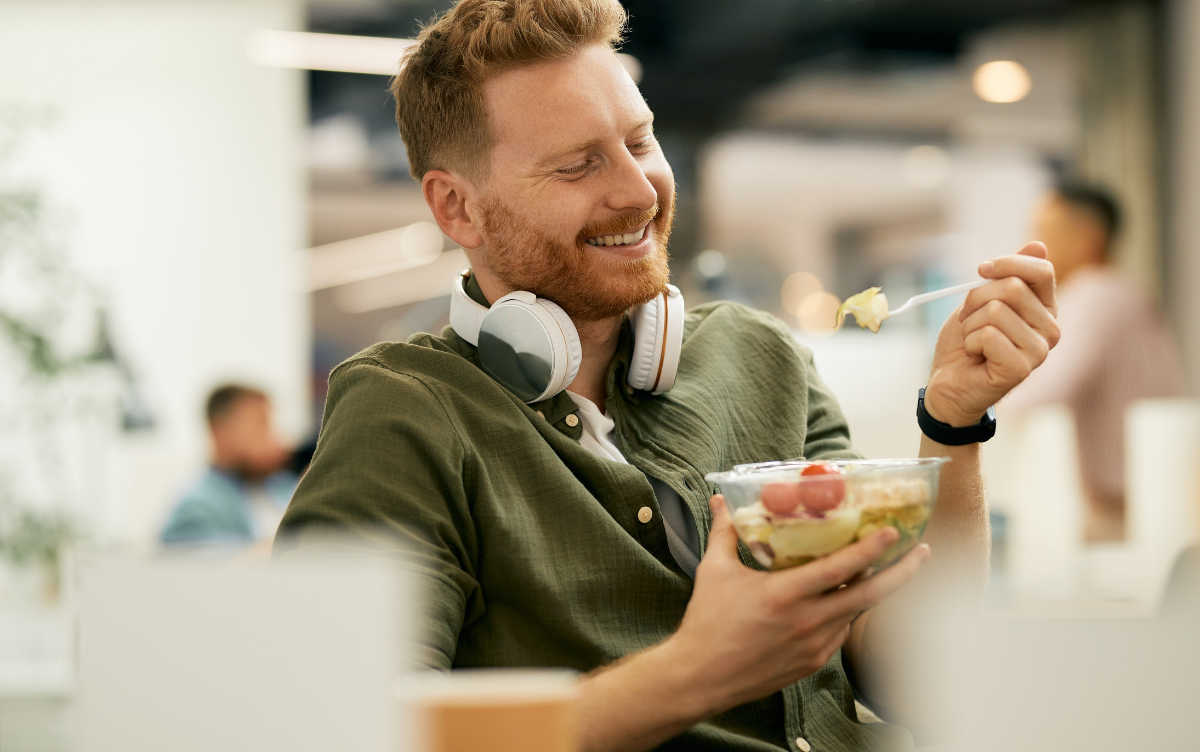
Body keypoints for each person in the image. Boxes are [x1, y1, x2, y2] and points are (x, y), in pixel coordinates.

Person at [275, 2, 1059, 749]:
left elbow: (916, 678)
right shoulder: (405, 413)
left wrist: (953, 422)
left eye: (641, 142)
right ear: (457, 208)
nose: (637, 189)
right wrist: (694, 672)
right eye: (578, 165)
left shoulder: (761, 358)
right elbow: (344, 733)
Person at [1003, 184, 1185, 541]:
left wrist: (981, 399)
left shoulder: (1094, 292)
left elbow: (1048, 389)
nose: (1032, 244)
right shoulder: (1124, 291)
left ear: (1086, 239)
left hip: (1122, 507)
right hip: (1151, 494)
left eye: (1044, 233)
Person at [162, 384, 298, 546]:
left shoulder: (282, 486)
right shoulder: (196, 508)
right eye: (262, 425)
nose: (275, 439)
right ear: (221, 431)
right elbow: (219, 569)